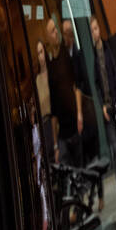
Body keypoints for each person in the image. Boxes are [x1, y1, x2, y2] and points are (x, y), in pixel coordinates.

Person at [91, 19, 116, 220]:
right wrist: (101, 108)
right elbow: (97, 86)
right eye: (91, 30)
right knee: (115, 152)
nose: (94, 33)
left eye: (96, 28)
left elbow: (115, 77)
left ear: (100, 29)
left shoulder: (107, 50)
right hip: (107, 110)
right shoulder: (93, 57)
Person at [44, 17, 82, 167]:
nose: (56, 33)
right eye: (52, 31)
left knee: (81, 170)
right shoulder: (51, 66)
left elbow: (76, 85)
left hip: (74, 122)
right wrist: (55, 144)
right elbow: (53, 107)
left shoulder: (67, 54)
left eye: (56, 29)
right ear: (48, 36)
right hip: (62, 132)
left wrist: (79, 114)